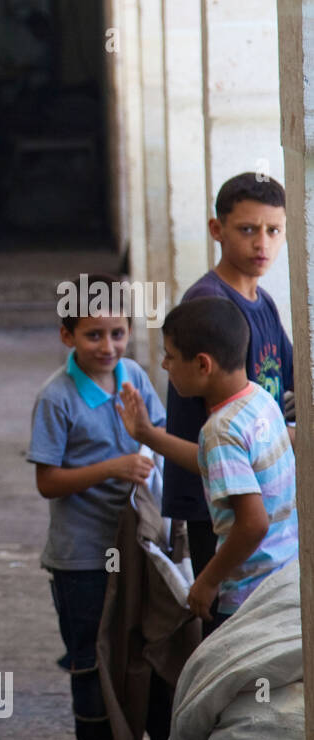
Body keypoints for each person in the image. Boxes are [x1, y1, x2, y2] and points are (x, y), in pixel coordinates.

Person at [27, 279, 170, 740]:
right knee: (88, 661)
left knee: (144, 653)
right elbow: (47, 482)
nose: (107, 347)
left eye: (117, 333)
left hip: (138, 546)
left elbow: (156, 432)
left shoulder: (133, 375)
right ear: (67, 336)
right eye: (93, 335)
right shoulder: (56, 397)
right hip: (81, 555)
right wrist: (112, 466)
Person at [161, 173, 295, 632]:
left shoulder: (266, 303)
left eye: (273, 231)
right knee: (225, 624)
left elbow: (290, 391)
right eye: (247, 229)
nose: (263, 244)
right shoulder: (209, 306)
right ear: (217, 230)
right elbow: (225, 434)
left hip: (254, 501)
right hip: (219, 504)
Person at [119, 297, 297, 626]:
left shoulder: (221, 430)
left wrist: (207, 581)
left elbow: (252, 524)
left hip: (247, 596)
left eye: (170, 357)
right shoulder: (259, 399)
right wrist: (146, 433)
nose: (164, 366)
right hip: (283, 576)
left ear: (203, 365)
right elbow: (212, 463)